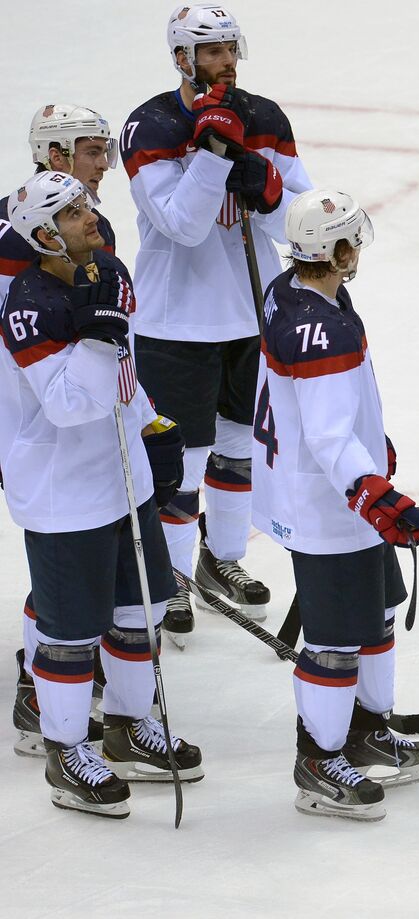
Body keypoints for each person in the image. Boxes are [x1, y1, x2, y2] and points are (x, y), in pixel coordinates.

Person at [0, 171, 201, 817]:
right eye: (72, 212)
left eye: (86, 204)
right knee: (70, 632)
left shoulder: (106, 270)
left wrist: (150, 421)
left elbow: (123, 365)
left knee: (140, 607)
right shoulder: (27, 304)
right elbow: (63, 405)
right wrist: (96, 335)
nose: (91, 215)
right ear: (42, 235)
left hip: (124, 474)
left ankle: (126, 724)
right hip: (65, 492)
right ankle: (65, 750)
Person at [120, 3, 313, 636]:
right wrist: (212, 152)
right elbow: (182, 223)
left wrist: (266, 185)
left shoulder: (265, 116)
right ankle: (170, 577)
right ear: (182, 57)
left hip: (251, 317)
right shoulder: (149, 125)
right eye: (212, 51)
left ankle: (220, 560)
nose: (226, 61)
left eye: (231, 48)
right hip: (176, 324)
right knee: (182, 457)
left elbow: (298, 225)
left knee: (238, 447)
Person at [251, 189, 419, 821]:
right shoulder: (319, 328)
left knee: (377, 608)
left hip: (326, 490)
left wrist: (368, 449)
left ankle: (366, 729)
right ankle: (319, 761)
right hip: (327, 505)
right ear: (336, 251)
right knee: (332, 641)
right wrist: (372, 491)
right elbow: (327, 437)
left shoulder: (290, 289)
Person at [4, 103, 121, 756]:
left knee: (62, 557)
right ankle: (36, 690)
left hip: (58, 421)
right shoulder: (17, 240)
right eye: (91, 150)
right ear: (53, 154)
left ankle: (49, 672)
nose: (104, 163)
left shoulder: (71, 226)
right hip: (29, 424)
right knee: (51, 558)